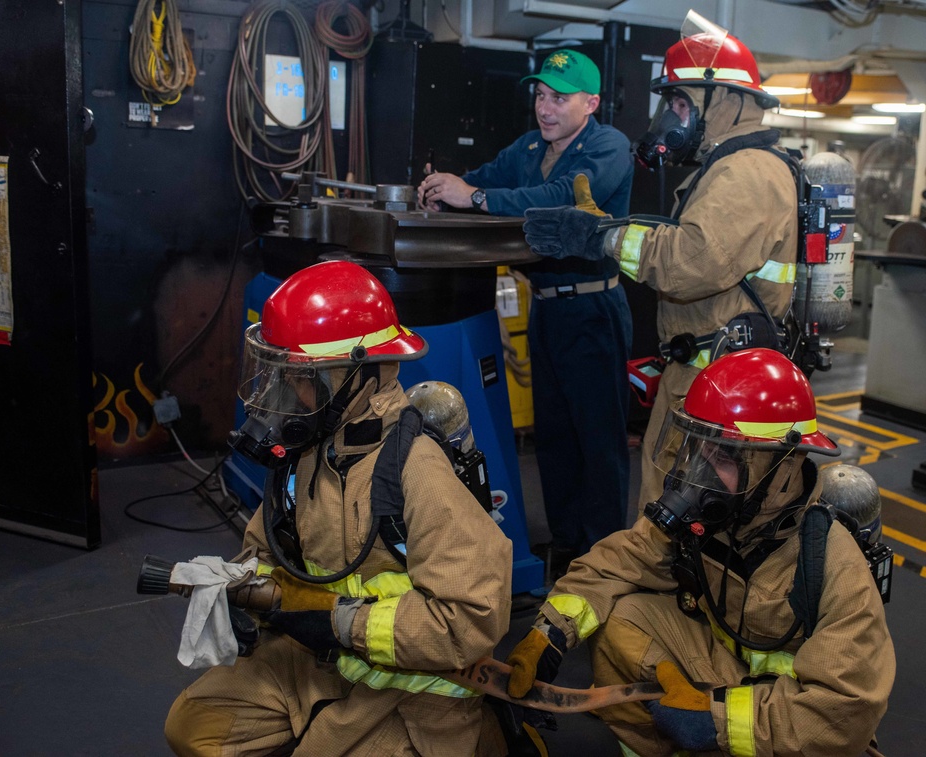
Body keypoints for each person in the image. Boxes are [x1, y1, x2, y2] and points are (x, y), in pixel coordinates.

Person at [164, 260, 514, 756]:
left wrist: (342, 624)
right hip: (317, 658)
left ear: (360, 377)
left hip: (407, 688)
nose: (282, 395)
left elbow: (471, 619)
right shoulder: (306, 451)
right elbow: (268, 549)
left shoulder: (416, 470)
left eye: (299, 378)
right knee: (194, 727)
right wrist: (237, 587)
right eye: (278, 375)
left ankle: (484, 740)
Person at [504, 348, 895, 757]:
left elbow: (843, 713)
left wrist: (716, 722)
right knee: (622, 618)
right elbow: (620, 562)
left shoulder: (832, 563)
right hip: (726, 669)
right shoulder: (717, 516)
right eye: (697, 450)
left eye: (722, 456)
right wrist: (549, 633)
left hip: (787, 714)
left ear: (780, 468)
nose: (698, 476)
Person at [523, 13, 799, 507]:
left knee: (684, 525)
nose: (671, 118)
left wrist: (600, 239)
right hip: (701, 376)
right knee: (668, 515)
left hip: (719, 388)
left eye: (680, 103)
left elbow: (689, 263)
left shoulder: (747, 174)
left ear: (729, 101)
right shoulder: (723, 169)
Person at [418, 48, 635, 574]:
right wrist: (444, 190)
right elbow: (486, 179)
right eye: (540, 95)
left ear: (591, 102)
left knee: (598, 444)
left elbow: (558, 199)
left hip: (593, 310)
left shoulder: (608, 146)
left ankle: (603, 563)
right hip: (547, 311)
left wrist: (474, 198)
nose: (546, 107)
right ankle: (565, 549)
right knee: (555, 440)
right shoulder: (530, 146)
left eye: (559, 98)